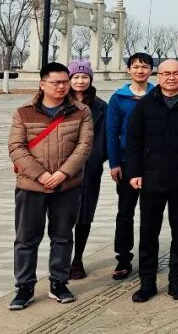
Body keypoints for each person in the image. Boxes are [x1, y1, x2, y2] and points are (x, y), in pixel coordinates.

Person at [8, 62, 94, 310]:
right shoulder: (23, 112)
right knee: (26, 238)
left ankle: (59, 282)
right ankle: (24, 287)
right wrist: (42, 175)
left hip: (67, 186)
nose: (62, 86)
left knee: (63, 236)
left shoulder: (81, 111)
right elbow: (16, 148)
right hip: (31, 186)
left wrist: (62, 173)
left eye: (65, 82)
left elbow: (84, 146)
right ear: (42, 84)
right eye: (56, 82)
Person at [125, 59, 178, 302]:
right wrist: (135, 172)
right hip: (150, 178)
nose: (171, 78)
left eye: (176, 73)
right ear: (158, 76)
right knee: (148, 232)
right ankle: (147, 282)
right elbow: (133, 141)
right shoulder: (145, 104)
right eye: (166, 73)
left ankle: (176, 280)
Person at [106, 52, 155, 280]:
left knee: (150, 213)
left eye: (144, 67)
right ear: (129, 70)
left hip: (153, 163)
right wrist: (114, 162)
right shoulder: (118, 98)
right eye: (135, 66)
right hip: (126, 163)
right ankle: (123, 258)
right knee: (125, 212)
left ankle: (148, 259)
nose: (140, 71)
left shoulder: (157, 95)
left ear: (151, 70)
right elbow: (111, 132)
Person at [66, 60, 107, 281]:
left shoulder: (100, 106)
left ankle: (77, 258)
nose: (80, 81)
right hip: (62, 167)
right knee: (63, 214)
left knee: (84, 214)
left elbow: (106, 136)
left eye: (84, 77)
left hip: (90, 167)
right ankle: (62, 258)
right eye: (75, 77)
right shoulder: (60, 102)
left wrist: (97, 157)